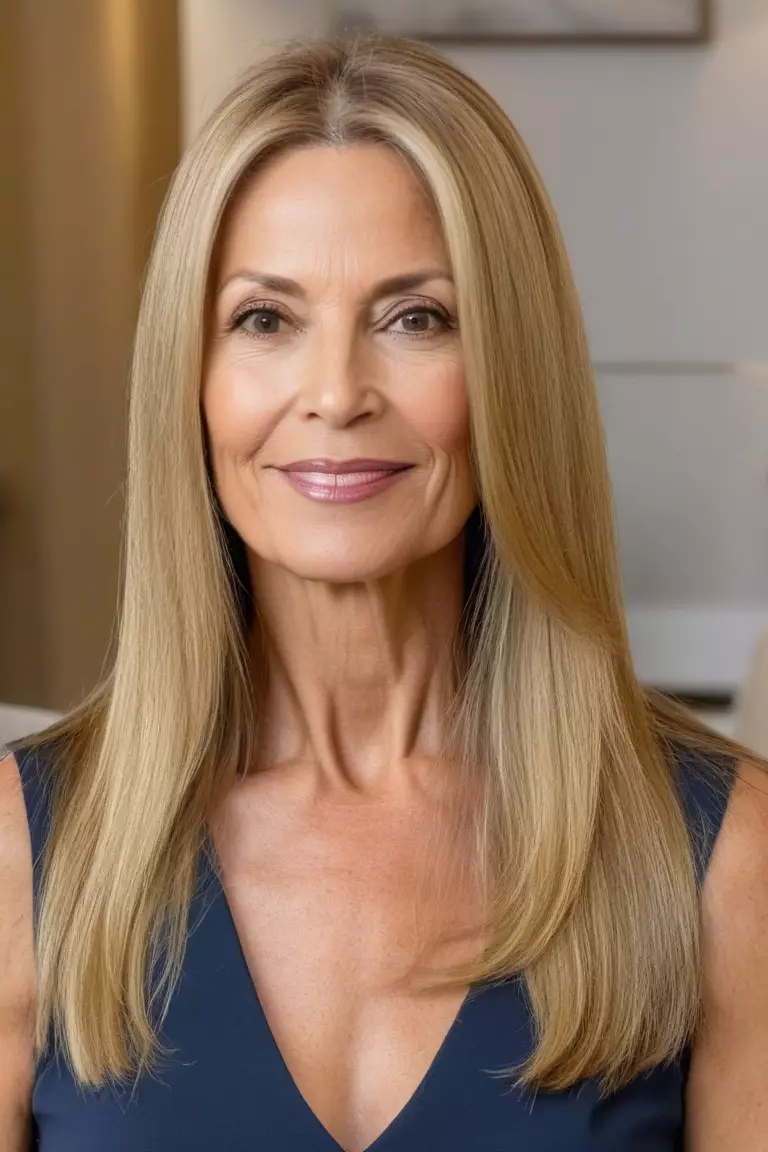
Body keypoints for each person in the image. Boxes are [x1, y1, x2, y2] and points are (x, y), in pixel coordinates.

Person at [1, 33, 767, 1152]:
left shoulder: (722, 855)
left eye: (417, 317)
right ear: (193, 380)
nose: (337, 393)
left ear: (510, 370)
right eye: (266, 319)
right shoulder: (19, 860)